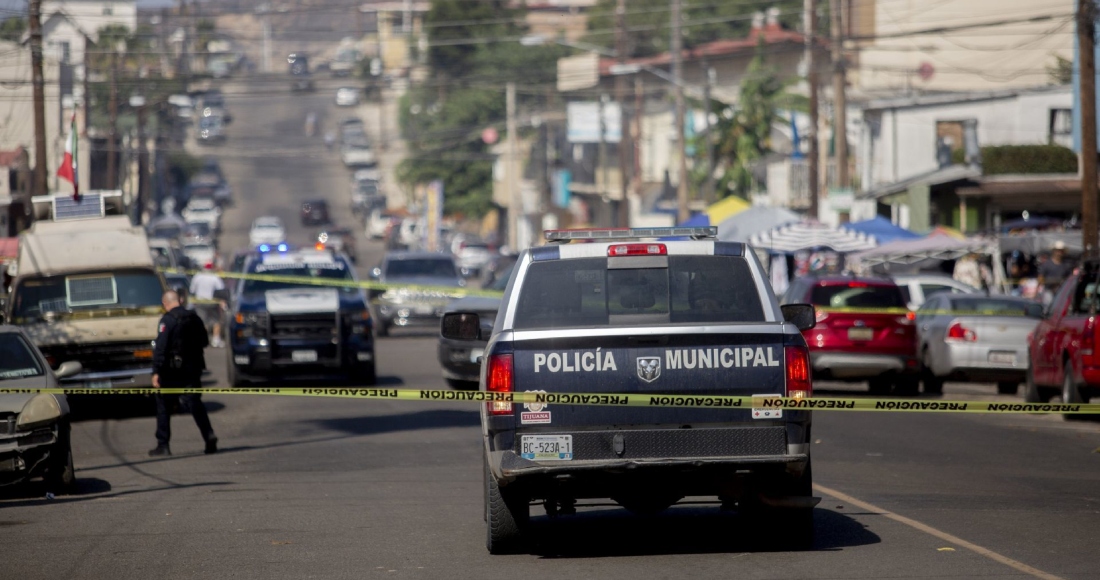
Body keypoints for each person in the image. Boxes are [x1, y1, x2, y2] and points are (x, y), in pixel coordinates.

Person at [150, 290, 217, 457]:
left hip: (171, 371)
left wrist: (156, 371)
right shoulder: (194, 317)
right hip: (193, 368)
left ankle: (163, 445)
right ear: (179, 300)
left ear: (165, 303)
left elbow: (161, 348)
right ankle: (208, 435)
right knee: (194, 403)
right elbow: (204, 341)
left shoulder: (167, 320)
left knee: (163, 405)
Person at [190, 263, 226, 348]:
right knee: (216, 321)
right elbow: (221, 290)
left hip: (200, 301)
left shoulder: (197, 277)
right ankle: (215, 340)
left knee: (203, 322)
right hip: (212, 302)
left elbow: (192, 290)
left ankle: (204, 339)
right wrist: (221, 301)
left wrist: (193, 300)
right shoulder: (215, 277)